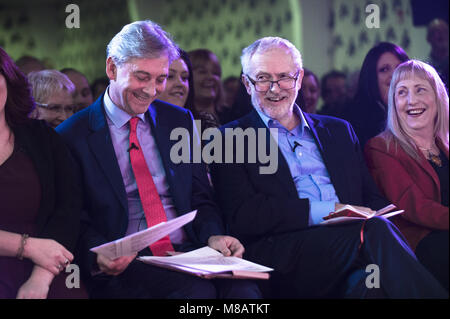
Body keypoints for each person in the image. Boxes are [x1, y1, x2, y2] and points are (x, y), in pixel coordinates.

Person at [209, 37, 448, 298]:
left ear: (299, 79)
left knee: (368, 286)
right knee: (375, 230)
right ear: (247, 83)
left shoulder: (339, 130)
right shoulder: (230, 138)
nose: (275, 89)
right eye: (263, 78)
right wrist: (326, 211)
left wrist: (374, 213)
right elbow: (244, 215)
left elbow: (372, 198)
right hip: (287, 251)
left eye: (284, 77)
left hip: (354, 244)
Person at [56, 20, 261, 299]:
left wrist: (213, 235)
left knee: (246, 291)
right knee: (196, 295)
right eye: (142, 77)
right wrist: (98, 254)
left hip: (188, 253)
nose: (152, 90)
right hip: (127, 264)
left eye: (161, 78)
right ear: (112, 68)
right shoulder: (72, 136)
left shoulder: (178, 120)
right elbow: (73, 219)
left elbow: (200, 197)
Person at [0, 47, 85, 299]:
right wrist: (28, 247)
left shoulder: (41, 137)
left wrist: (41, 277)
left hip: (47, 264)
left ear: (7, 77)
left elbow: (68, 210)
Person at [365, 60, 449, 291]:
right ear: (394, 102)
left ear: (438, 97)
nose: (412, 100)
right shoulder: (381, 147)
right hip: (423, 244)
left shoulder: (445, 144)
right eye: (402, 93)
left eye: (420, 89)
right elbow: (414, 207)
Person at [342, 42, 409, 148]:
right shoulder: (355, 123)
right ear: (372, 78)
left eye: (399, 67)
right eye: (384, 69)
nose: (394, 75)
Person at [188, 49, 232, 129]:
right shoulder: (180, 119)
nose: (211, 77)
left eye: (215, 73)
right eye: (202, 72)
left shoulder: (234, 116)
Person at [426, 19, 449, 88]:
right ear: (428, 38)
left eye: (445, 31)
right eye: (437, 32)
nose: (442, 35)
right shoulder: (425, 67)